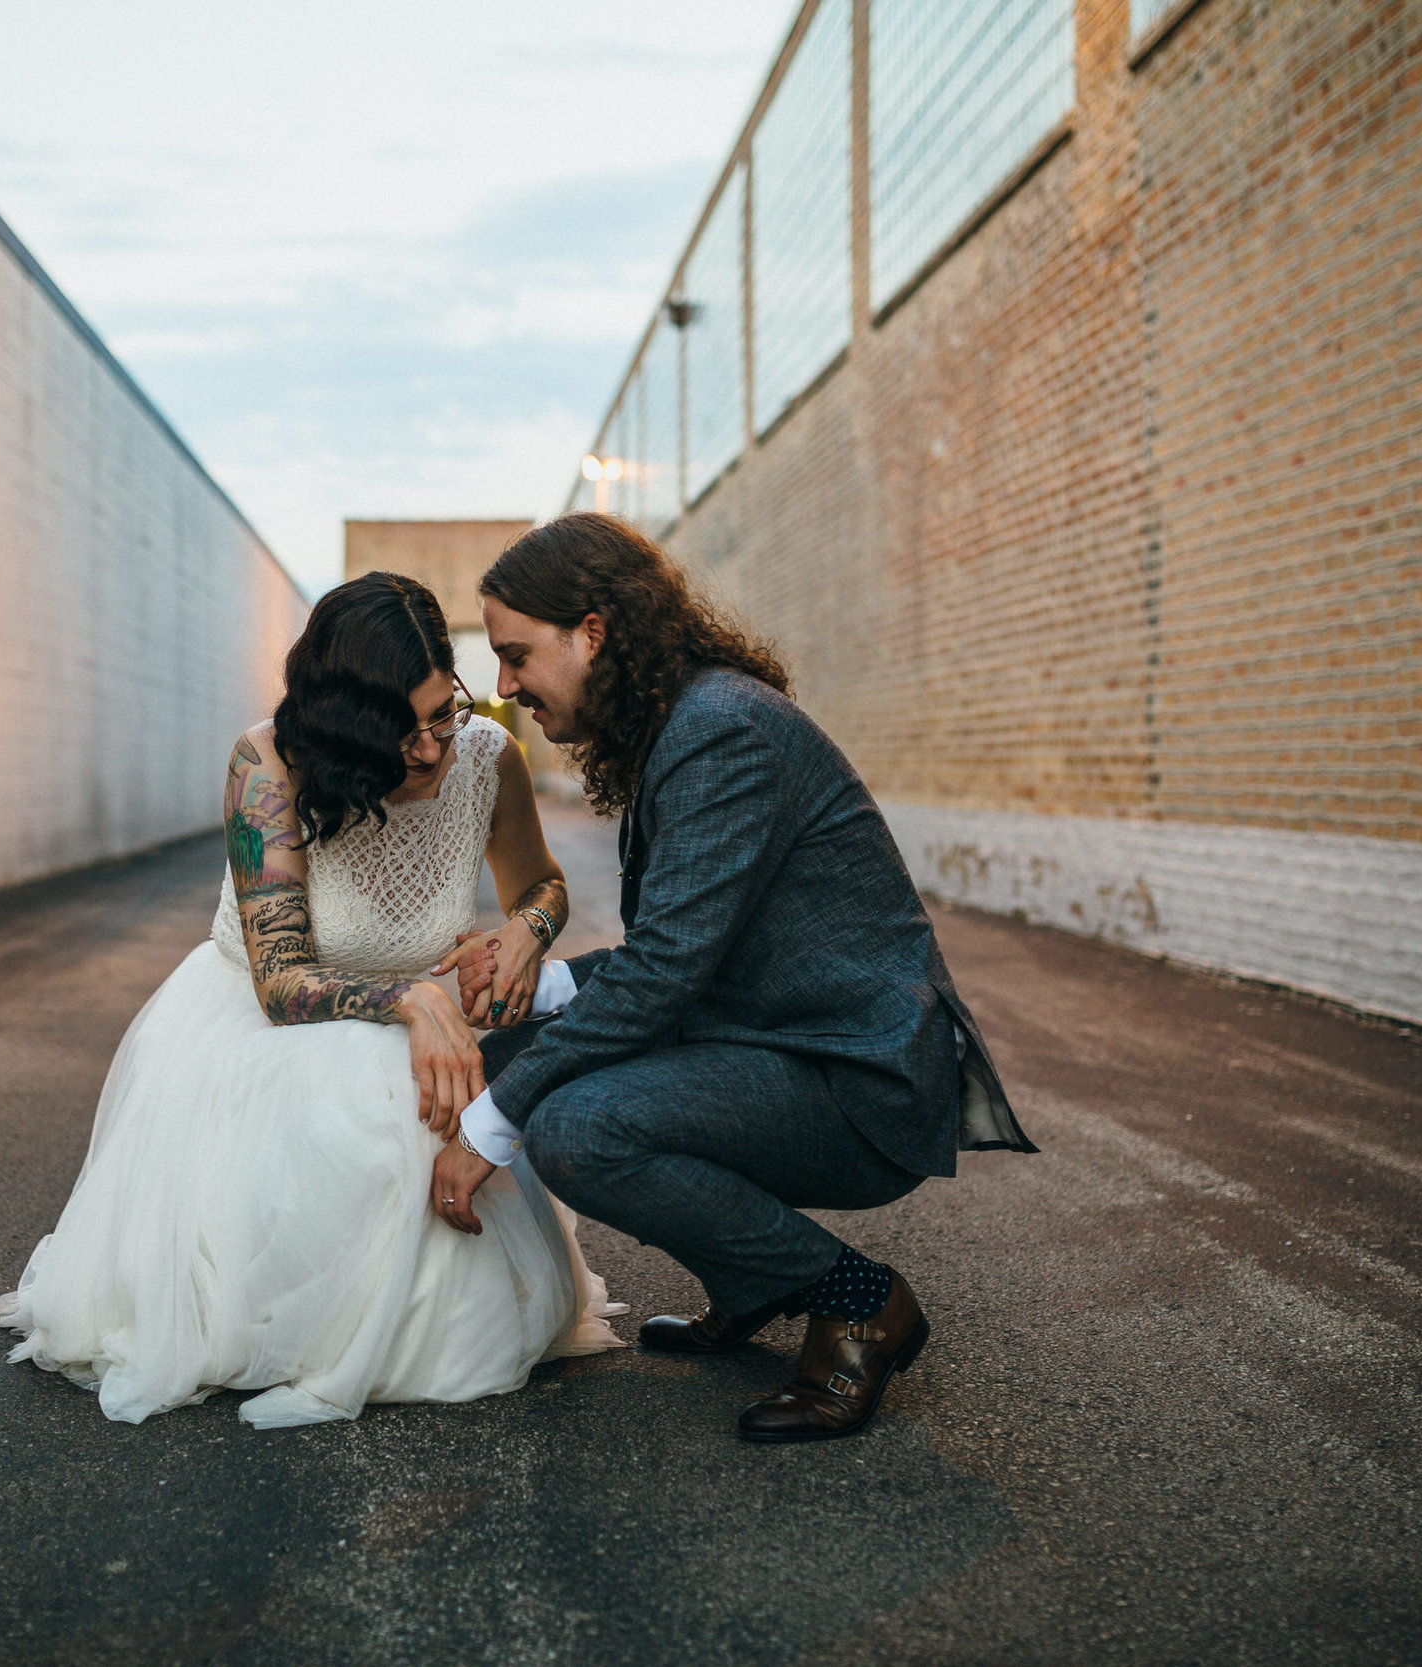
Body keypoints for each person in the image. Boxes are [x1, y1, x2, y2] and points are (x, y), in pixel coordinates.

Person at [433, 513, 1034, 1444]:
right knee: (515, 1051)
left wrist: (492, 1124)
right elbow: (685, 953)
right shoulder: (681, 724)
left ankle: (860, 1301)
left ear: (593, 631)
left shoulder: (723, 732)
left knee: (575, 1126)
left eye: (516, 656)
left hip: (854, 1076)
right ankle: (751, 1278)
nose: (505, 685)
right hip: (774, 1039)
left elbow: (668, 971)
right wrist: (542, 988)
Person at [0, 573, 622, 1428]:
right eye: (403, 733)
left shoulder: (486, 758)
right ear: (344, 726)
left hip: (405, 1011)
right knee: (370, 1134)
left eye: (444, 713)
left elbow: (541, 882)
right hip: (265, 1025)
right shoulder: (269, 763)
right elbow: (282, 979)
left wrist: (528, 930)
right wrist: (420, 1001)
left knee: (445, 1138)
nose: (433, 749)